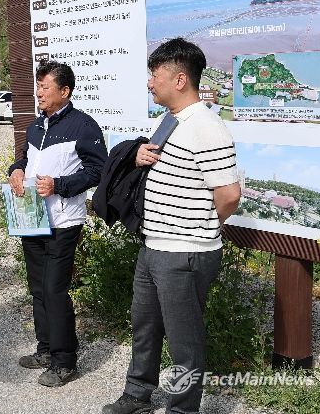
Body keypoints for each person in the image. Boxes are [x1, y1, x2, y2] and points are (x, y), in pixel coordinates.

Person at [102, 38, 240, 414]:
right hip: (154, 247)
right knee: (144, 328)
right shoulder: (169, 121)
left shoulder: (207, 127)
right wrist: (138, 156)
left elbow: (229, 194)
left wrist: (203, 224)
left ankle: (182, 408)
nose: (150, 82)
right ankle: (137, 395)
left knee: (184, 341)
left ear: (180, 80)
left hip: (185, 252)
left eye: (155, 75)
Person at [8, 60, 107, 387]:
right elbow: (26, 159)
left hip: (64, 221)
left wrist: (60, 185)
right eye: (38, 87)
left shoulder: (83, 126)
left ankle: (65, 361)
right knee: (38, 287)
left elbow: (98, 170)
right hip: (32, 218)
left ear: (65, 91)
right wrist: (16, 169)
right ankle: (46, 349)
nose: (39, 93)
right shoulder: (36, 126)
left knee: (54, 289)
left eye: (45, 87)